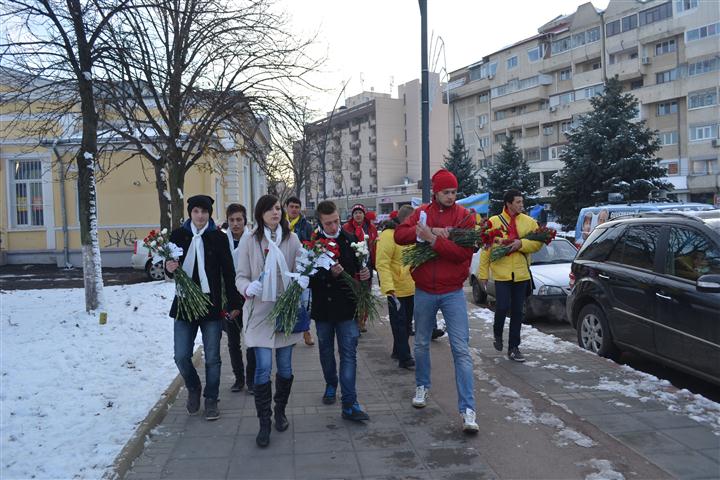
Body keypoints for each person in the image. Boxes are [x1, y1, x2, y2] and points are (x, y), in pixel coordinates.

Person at [394, 169, 479, 433]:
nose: (451, 197)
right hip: (424, 291)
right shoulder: (422, 213)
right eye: (446, 192)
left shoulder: (465, 217)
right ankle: (422, 386)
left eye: (454, 192)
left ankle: (468, 410)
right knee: (420, 342)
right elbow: (399, 236)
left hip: (453, 292)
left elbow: (462, 255)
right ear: (435, 192)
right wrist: (426, 232)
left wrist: (433, 241)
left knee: (461, 349)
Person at [235, 194, 308, 447]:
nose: (275, 213)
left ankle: (280, 411)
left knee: (285, 367)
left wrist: (303, 278)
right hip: (258, 311)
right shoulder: (249, 240)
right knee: (263, 367)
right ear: (260, 214)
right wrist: (248, 287)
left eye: (278, 208)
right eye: (270, 209)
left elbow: (302, 266)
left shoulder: (292, 238)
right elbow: (240, 276)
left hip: (285, 312)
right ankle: (263, 422)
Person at [165, 194, 242, 421]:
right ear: (190, 213)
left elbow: (229, 273)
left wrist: (234, 302)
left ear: (209, 214)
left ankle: (210, 399)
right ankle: (194, 387)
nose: (200, 216)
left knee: (212, 358)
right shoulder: (178, 235)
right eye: (196, 211)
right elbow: (170, 267)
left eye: (204, 212)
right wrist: (169, 267)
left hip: (211, 305)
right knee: (181, 356)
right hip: (184, 304)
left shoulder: (217, 237)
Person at [310, 200, 371, 422]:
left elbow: (361, 268)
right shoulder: (313, 245)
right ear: (320, 223)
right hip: (323, 310)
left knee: (348, 353)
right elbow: (307, 280)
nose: (334, 227)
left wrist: (365, 275)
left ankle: (349, 403)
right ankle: (330, 383)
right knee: (326, 351)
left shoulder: (351, 240)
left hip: (347, 309)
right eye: (328, 223)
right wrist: (327, 274)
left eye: (336, 221)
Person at [478, 189, 543, 363]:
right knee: (501, 307)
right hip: (501, 274)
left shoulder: (529, 222)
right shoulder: (493, 222)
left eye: (522, 202)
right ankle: (497, 333)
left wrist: (521, 243)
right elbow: (486, 251)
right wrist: (483, 274)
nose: (521, 205)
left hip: (521, 274)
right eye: (518, 202)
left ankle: (514, 347)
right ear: (508, 203)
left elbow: (538, 244)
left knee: (517, 312)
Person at [376, 205, 416, 369]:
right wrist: (389, 288)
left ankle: (397, 350)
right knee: (399, 323)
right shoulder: (388, 235)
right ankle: (405, 357)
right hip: (395, 289)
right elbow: (382, 264)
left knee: (406, 324)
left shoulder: (410, 234)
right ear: (405, 219)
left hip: (410, 286)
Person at [223, 203, 256, 394]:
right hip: (229, 298)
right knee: (233, 341)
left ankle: (251, 379)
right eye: (232, 220)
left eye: (239, 220)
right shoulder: (221, 240)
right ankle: (239, 379)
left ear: (245, 220)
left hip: (249, 297)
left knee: (251, 340)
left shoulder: (252, 239)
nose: (235, 224)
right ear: (227, 221)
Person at [342, 203, 378, 332]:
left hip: (366, 264)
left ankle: (362, 319)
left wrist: (375, 264)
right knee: (353, 292)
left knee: (365, 292)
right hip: (352, 265)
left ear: (364, 214)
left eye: (360, 213)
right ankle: (353, 318)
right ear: (352, 215)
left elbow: (374, 245)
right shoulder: (346, 227)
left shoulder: (370, 227)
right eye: (355, 213)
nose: (358, 215)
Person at [285, 196, 315, 346]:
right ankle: (292, 329)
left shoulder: (306, 225)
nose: (294, 209)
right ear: (287, 207)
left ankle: (306, 330)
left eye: (297, 207)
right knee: (289, 301)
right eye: (292, 206)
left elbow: (311, 246)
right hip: (285, 268)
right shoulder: (280, 224)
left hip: (302, 268)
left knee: (305, 302)